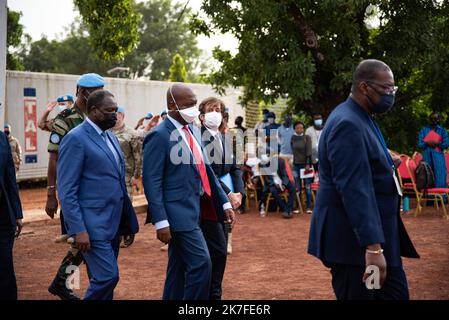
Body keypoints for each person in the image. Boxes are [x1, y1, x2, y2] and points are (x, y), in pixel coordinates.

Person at [308, 59, 419, 300]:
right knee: (367, 295)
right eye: (386, 88)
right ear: (364, 87)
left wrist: (386, 160)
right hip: (355, 247)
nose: (391, 95)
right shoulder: (348, 123)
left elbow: (363, 160)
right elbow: (354, 189)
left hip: (377, 238)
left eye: (393, 89)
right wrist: (373, 247)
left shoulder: (361, 117)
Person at [142, 83, 235, 300]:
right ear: (172, 105)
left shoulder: (190, 131)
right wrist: (161, 221)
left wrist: (225, 202)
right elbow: (151, 181)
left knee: (177, 268)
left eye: (195, 103)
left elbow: (206, 171)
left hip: (195, 209)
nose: (194, 108)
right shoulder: (159, 135)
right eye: (189, 104)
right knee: (202, 263)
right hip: (177, 213)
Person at [57, 90, 139, 300]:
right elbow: (67, 191)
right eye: (109, 110)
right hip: (91, 226)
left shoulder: (109, 136)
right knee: (107, 277)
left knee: (104, 283)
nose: (114, 114)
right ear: (94, 111)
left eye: (116, 109)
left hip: (113, 223)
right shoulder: (75, 139)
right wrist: (78, 229)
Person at [46, 73, 105, 300]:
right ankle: (72, 284)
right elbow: (54, 158)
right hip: (75, 192)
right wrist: (51, 194)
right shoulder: (66, 119)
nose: (100, 96)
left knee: (87, 242)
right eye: (96, 92)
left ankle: (66, 283)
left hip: (95, 191)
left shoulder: (97, 116)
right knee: (83, 241)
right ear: (82, 92)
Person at [199, 97, 243, 298]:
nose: (216, 112)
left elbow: (235, 168)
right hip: (208, 202)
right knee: (216, 250)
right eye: (211, 109)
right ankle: (211, 293)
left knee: (221, 249)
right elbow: (209, 174)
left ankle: (215, 291)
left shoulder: (224, 137)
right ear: (202, 115)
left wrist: (240, 192)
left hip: (227, 202)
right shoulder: (199, 138)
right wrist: (229, 193)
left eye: (219, 109)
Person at [111, 106, 142, 248]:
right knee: (114, 205)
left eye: (117, 114)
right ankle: (117, 234)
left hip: (127, 175)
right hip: (111, 175)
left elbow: (138, 156)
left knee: (126, 204)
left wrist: (136, 175)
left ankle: (129, 232)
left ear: (122, 115)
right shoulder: (107, 132)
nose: (115, 116)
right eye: (113, 113)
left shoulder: (132, 133)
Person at [0, 131, 23, 300]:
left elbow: (9, 178)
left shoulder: (2, 138)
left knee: (5, 266)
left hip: (3, 216)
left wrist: (17, 213)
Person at [418, 112, 449, 188]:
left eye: (435, 119)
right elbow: (420, 144)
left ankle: (441, 198)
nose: (433, 120)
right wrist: (428, 143)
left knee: (440, 177)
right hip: (427, 157)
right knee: (427, 177)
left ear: (438, 119)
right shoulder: (424, 130)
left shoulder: (442, 131)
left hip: (439, 159)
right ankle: (429, 198)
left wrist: (437, 143)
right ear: (429, 120)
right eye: (431, 119)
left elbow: (446, 144)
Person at [291, 121, 313, 214]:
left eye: (301, 127)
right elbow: (292, 150)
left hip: (305, 165)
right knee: (297, 187)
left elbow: (309, 152)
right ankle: (298, 207)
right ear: (294, 129)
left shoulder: (307, 137)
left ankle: (308, 207)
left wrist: (308, 164)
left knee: (308, 186)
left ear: (303, 129)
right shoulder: (293, 138)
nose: (299, 129)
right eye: (297, 128)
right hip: (295, 165)